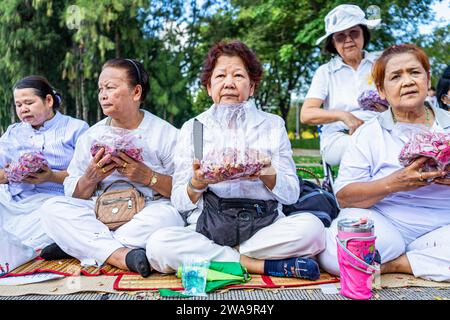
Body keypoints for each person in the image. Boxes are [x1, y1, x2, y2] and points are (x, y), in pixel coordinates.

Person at [146, 40, 325, 280]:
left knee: (312, 231)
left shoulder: (271, 125)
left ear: (251, 86)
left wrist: (265, 170)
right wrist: (198, 182)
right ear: (209, 87)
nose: (229, 83)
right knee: (159, 245)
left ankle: (221, 258)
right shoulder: (195, 128)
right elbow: (180, 201)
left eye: (238, 75)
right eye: (220, 76)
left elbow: (291, 194)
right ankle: (257, 264)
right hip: (211, 227)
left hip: (266, 227)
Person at [40, 59, 184, 277]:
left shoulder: (165, 134)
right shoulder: (91, 137)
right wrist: (90, 177)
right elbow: (76, 194)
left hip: (149, 209)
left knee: (168, 219)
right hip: (99, 209)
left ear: (136, 92)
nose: (102, 95)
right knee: (51, 208)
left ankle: (80, 246)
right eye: (100, 89)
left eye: (110, 87)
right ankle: (121, 256)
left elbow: (185, 191)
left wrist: (148, 177)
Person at [318, 44, 450, 282]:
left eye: (415, 72)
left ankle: (398, 264)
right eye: (396, 76)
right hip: (387, 223)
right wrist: (394, 183)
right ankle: (426, 259)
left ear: (428, 78)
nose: (407, 81)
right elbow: (344, 197)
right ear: (381, 90)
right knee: (339, 256)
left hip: (444, 226)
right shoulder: (368, 133)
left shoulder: (447, 124)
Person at [0, 76, 88, 272]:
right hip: (15, 201)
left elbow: (89, 176)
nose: (23, 109)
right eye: (18, 105)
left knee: (52, 220)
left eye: (29, 103)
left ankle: (52, 245)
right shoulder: (13, 133)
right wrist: (11, 174)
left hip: (55, 201)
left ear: (48, 101)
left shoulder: (76, 129)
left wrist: (51, 177)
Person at [300, 4, 383, 166]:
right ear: (333, 43)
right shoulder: (325, 72)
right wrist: (344, 116)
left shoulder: (380, 64)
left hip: (381, 131)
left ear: (363, 34)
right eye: (340, 36)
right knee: (362, 148)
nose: (348, 40)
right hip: (339, 136)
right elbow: (306, 114)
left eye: (354, 33)